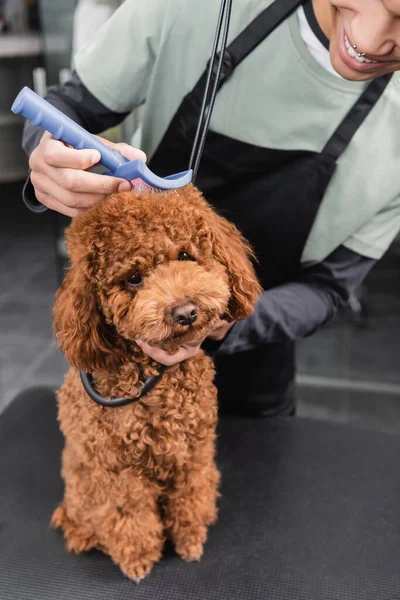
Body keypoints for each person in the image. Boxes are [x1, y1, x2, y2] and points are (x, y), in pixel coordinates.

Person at [22, 0, 400, 417]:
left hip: (257, 367)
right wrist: (48, 155)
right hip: (129, 361)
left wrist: (226, 325)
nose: (372, 41)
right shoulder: (190, 6)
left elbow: (328, 288)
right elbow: (65, 108)